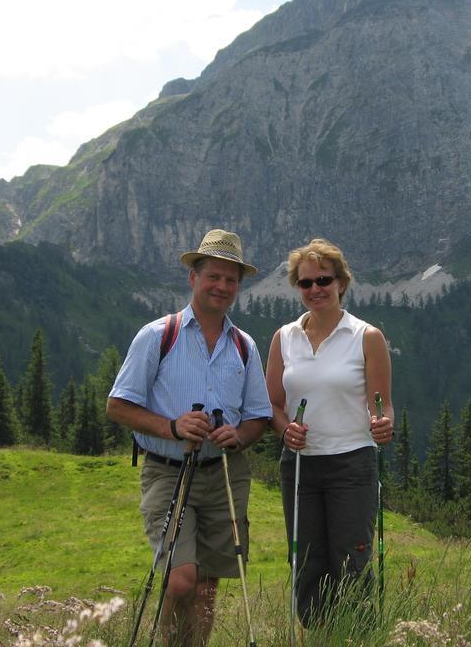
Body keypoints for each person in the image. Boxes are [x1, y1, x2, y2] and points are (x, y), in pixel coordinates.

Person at [107, 228, 271, 647]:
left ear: (238, 286)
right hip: (168, 472)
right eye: (213, 276)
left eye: (230, 279)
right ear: (193, 278)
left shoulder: (244, 345)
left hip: (224, 475)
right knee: (181, 580)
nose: (222, 286)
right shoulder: (158, 335)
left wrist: (239, 435)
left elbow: (259, 418)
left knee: (206, 588)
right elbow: (118, 406)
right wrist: (173, 428)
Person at [266, 237, 394, 628]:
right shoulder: (283, 338)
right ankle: (317, 635)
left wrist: (384, 423)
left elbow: (383, 403)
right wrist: (285, 430)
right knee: (306, 564)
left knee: (351, 562)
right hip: (300, 467)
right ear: (297, 288)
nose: (315, 289)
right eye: (306, 283)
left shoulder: (366, 336)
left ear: (341, 282)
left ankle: (356, 636)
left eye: (324, 280)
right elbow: (272, 405)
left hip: (352, 463)